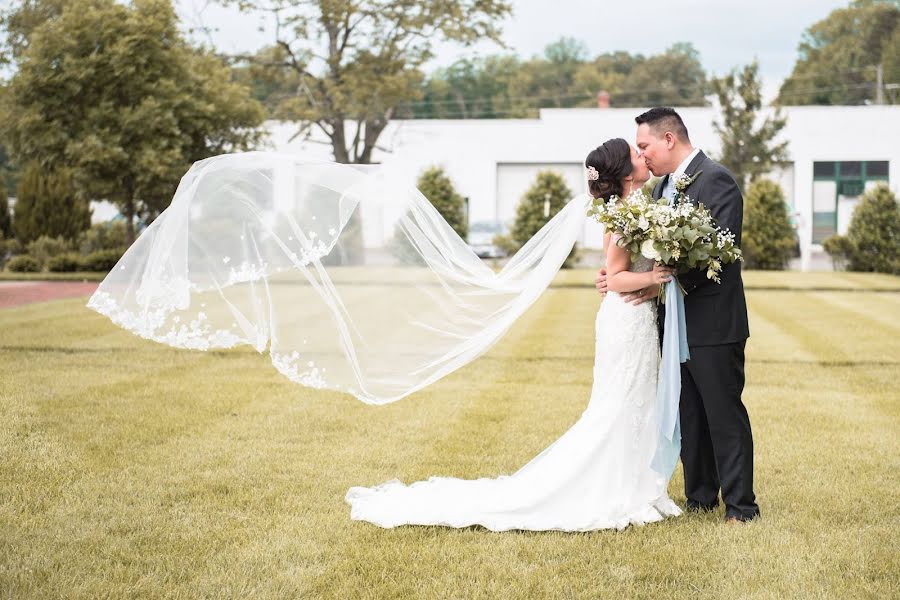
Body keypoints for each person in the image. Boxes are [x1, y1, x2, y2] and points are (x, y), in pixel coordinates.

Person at [345, 138, 681, 531]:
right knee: (619, 404)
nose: (644, 157)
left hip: (632, 320)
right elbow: (617, 276)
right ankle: (615, 490)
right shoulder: (625, 216)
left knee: (636, 403)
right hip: (625, 321)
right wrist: (655, 277)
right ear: (625, 173)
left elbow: (611, 275)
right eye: (637, 154)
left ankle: (637, 485)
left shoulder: (636, 208)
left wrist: (648, 280)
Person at [596, 107, 759, 523]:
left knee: (722, 413)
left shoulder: (716, 179)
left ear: (669, 139)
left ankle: (741, 507)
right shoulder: (659, 188)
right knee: (688, 412)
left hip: (712, 323)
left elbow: (716, 254)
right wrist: (625, 276)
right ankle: (700, 496)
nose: (641, 154)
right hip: (671, 325)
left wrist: (652, 282)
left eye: (645, 145)